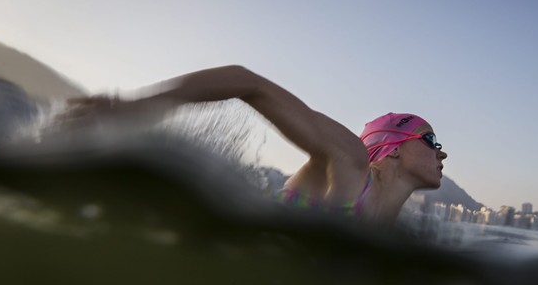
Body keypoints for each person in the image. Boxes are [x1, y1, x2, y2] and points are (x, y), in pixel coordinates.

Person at [63, 65, 447, 224]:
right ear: (394, 146)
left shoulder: (392, 227)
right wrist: (136, 106)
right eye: (430, 140)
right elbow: (250, 82)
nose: (441, 152)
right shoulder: (351, 161)